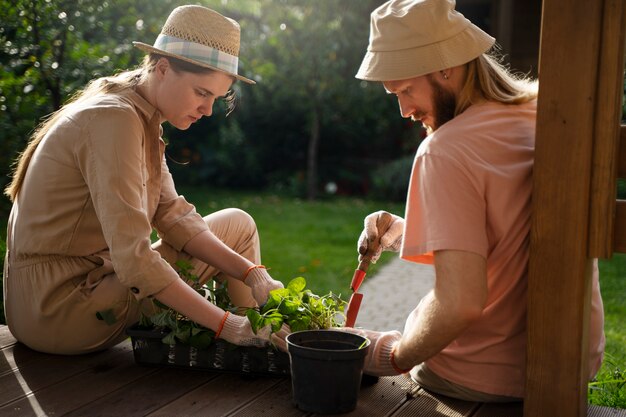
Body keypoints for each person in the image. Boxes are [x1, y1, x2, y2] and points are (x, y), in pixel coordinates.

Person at [339, 0, 605, 402]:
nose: (404, 110)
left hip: (478, 375)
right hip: (569, 365)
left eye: (407, 89)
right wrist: (404, 234)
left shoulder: (444, 150)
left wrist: (392, 356)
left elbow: (459, 304)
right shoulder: (545, 115)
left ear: (446, 66)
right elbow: (508, 235)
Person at [3, 5, 288, 355]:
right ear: (163, 67)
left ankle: (264, 338)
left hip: (61, 302)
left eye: (215, 98)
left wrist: (253, 275)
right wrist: (226, 326)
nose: (207, 110)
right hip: (61, 311)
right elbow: (134, 259)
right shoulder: (114, 120)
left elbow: (173, 216)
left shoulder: (138, 116)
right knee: (235, 243)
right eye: (202, 93)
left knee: (238, 225)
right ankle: (264, 344)